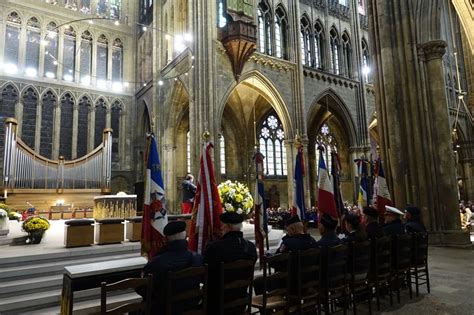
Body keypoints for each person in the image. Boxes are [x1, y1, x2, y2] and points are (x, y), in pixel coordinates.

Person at [139, 221, 203, 314]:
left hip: (164, 310)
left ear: (166, 239)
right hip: (191, 307)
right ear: (185, 237)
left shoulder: (158, 262)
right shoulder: (198, 258)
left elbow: (143, 288)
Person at [204, 212, 257, 314]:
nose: (221, 228)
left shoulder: (215, 247)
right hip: (241, 299)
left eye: (222, 225)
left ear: (227, 226)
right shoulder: (251, 247)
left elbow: (207, 274)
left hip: (217, 303)